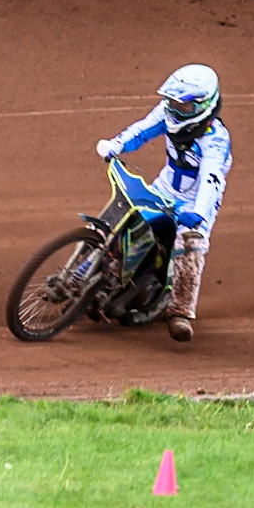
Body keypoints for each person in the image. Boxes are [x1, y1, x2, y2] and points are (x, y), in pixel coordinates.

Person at [94, 64, 232, 342]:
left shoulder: (215, 139)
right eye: (173, 102)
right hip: (164, 189)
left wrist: (199, 213)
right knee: (122, 218)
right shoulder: (167, 114)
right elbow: (142, 130)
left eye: (184, 105)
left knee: (191, 243)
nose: (175, 109)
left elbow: (211, 178)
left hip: (195, 203)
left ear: (204, 105)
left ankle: (181, 312)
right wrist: (116, 144)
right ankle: (93, 271)